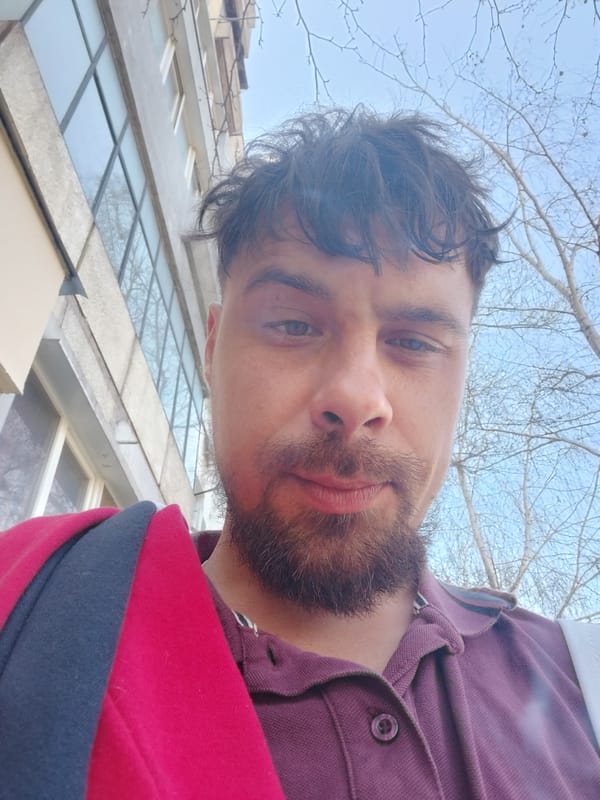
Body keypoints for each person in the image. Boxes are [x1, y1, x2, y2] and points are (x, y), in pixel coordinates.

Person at [1, 108, 598, 799]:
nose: (354, 395)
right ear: (212, 345)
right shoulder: (28, 609)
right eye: (292, 323)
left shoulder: (582, 686)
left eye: (412, 341)